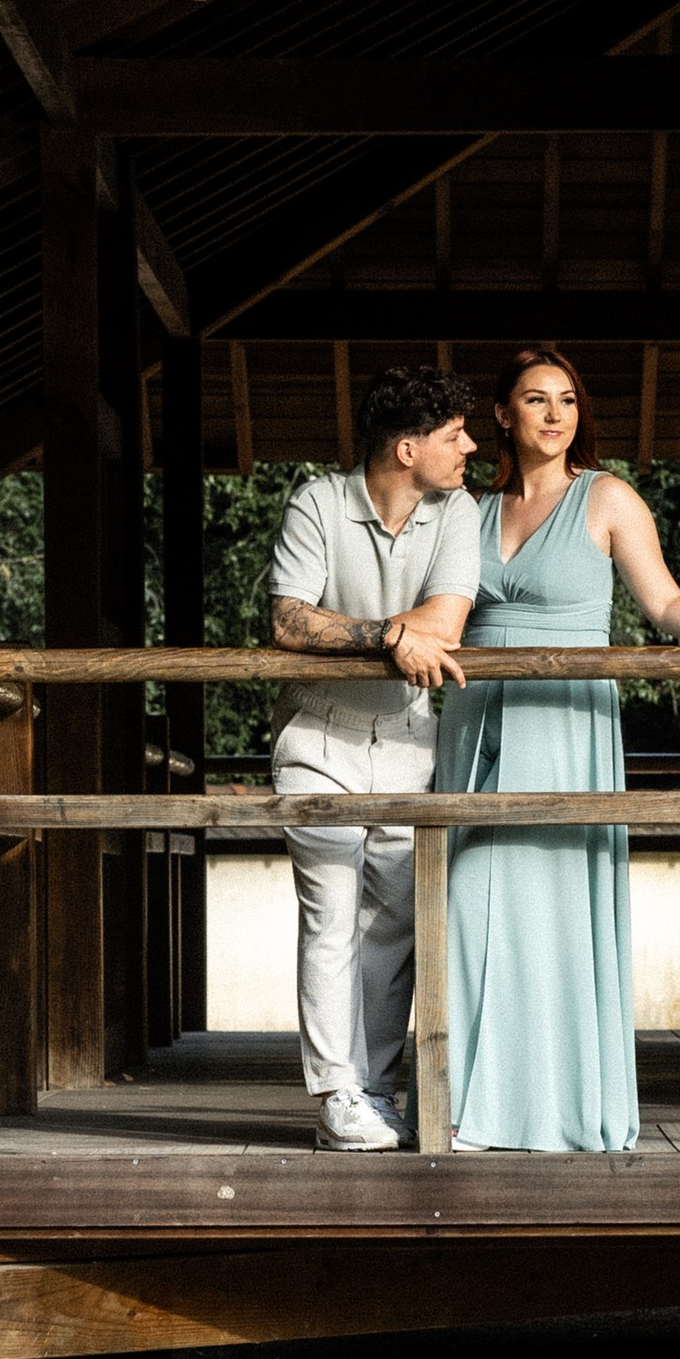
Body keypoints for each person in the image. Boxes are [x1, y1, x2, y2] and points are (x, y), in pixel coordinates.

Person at [437, 348, 680, 1153]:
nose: (555, 415)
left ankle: (555, 1110)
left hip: (564, 719)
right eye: (534, 399)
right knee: (462, 903)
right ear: (501, 415)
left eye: (566, 400)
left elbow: (663, 603)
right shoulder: (470, 510)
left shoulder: (607, 497)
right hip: (476, 717)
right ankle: (463, 1107)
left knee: (548, 906)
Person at [268, 365, 481, 1149]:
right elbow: (289, 620)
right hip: (316, 739)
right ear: (406, 447)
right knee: (330, 918)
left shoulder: (456, 510)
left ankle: (376, 1091)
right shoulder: (317, 501)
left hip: (407, 742)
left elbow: (448, 622)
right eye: (454, 435)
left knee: (393, 924)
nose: (470, 447)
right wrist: (389, 635)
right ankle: (334, 1094)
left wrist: (372, 628)